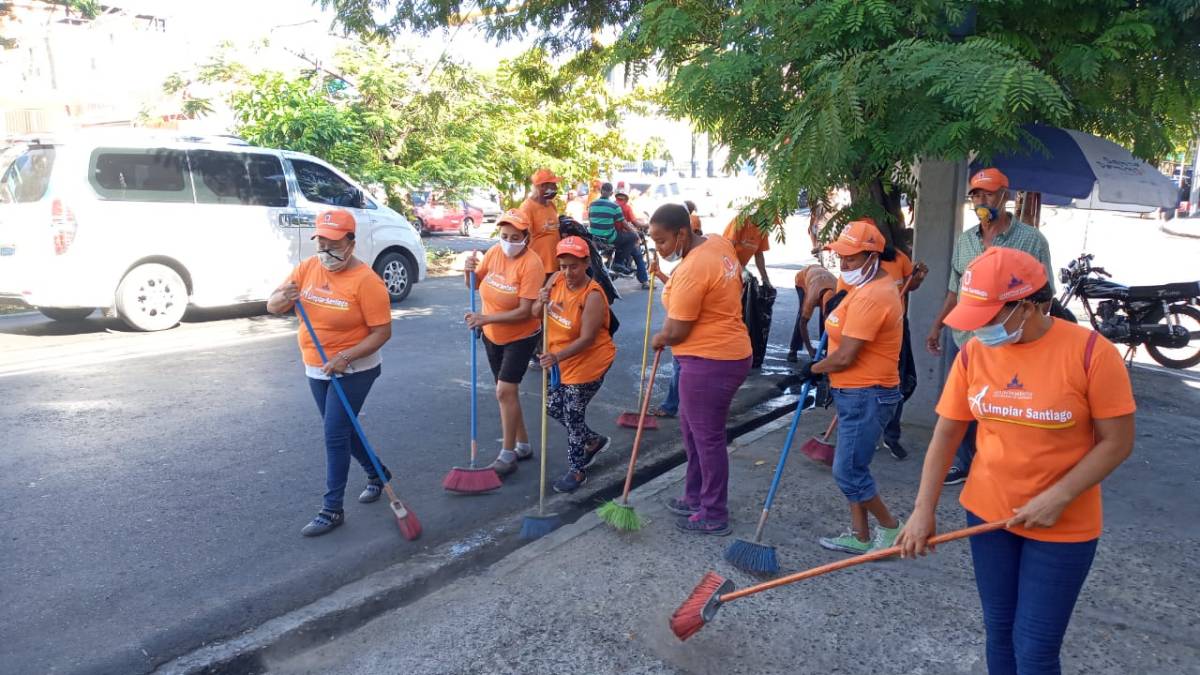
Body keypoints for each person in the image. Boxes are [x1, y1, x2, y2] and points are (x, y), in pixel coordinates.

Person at [897, 247, 1135, 675]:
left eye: (987, 317)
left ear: (1025, 306)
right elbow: (947, 433)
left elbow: (1117, 442)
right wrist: (922, 510)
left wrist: (1059, 497)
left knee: (1035, 649)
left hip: (1063, 524)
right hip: (988, 517)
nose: (978, 330)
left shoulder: (1092, 353)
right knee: (1000, 632)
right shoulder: (974, 354)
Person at [267, 209, 394, 537]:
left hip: (356, 369)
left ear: (351, 243)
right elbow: (273, 305)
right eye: (320, 241)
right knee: (344, 429)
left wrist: (346, 357)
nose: (324, 249)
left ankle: (331, 508)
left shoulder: (367, 282)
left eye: (333, 242)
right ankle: (377, 473)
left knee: (334, 434)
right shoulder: (307, 268)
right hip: (316, 365)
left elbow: (382, 333)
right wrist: (282, 298)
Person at [924, 168, 1055, 486]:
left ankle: (1007, 464)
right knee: (964, 403)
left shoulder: (1031, 240)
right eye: (976, 195)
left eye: (989, 193)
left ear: (1005, 196)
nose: (982, 200)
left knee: (1009, 400)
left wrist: (1033, 335)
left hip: (1011, 338)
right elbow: (955, 290)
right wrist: (936, 326)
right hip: (967, 338)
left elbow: (1045, 294)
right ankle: (966, 461)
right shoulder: (965, 241)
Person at [799, 219, 905, 554]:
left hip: (867, 393)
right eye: (841, 257)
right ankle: (860, 536)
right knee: (854, 468)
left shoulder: (875, 295)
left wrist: (812, 369)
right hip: (856, 392)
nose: (844, 264)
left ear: (873, 257)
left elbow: (845, 356)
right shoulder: (861, 285)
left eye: (852, 258)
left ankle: (891, 529)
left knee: (846, 472)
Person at [648, 204, 751, 536]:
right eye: (653, 242)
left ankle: (713, 512)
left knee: (707, 439)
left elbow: (678, 330)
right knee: (693, 432)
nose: (659, 249)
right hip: (720, 354)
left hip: (711, 361)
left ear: (682, 233)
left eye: (662, 241)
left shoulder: (694, 266)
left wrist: (661, 338)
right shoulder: (717, 242)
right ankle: (695, 496)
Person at [531, 236, 617, 493]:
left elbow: (588, 338)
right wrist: (540, 300)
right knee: (552, 407)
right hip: (561, 360)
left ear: (587, 263)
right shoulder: (555, 280)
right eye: (563, 266)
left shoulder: (592, 295)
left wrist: (557, 357)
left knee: (572, 413)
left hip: (589, 362)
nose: (568, 272)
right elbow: (536, 313)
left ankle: (577, 469)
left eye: (574, 266)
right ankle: (592, 441)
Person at [464, 209, 546, 477]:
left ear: (526, 237)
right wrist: (468, 272)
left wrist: (486, 317)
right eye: (504, 236)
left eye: (514, 237)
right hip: (491, 334)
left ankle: (507, 454)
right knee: (507, 393)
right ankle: (522, 445)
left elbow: (525, 311)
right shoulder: (494, 253)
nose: (508, 241)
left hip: (521, 336)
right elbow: (475, 285)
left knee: (503, 391)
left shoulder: (532, 264)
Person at [589, 182, 649, 288]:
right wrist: (635, 234)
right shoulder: (616, 207)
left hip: (594, 237)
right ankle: (619, 262)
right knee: (634, 242)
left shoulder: (592, 204)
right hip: (609, 238)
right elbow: (626, 224)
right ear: (612, 193)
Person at [518, 168, 563, 281]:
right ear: (542, 186)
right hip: (538, 267)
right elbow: (522, 239)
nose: (555, 189)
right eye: (552, 185)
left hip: (554, 264)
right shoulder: (527, 207)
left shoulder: (551, 205)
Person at [787, 263, 838, 362]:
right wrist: (810, 349)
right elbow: (803, 323)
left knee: (828, 321)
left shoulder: (838, 290)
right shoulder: (811, 297)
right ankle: (793, 350)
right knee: (802, 316)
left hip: (822, 275)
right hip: (803, 280)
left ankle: (827, 349)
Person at [721, 215, 773, 289]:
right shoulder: (741, 221)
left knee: (750, 283)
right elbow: (727, 248)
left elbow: (759, 254)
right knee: (746, 280)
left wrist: (765, 278)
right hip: (724, 263)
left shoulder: (763, 228)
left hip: (739, 266)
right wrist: (741, 269)